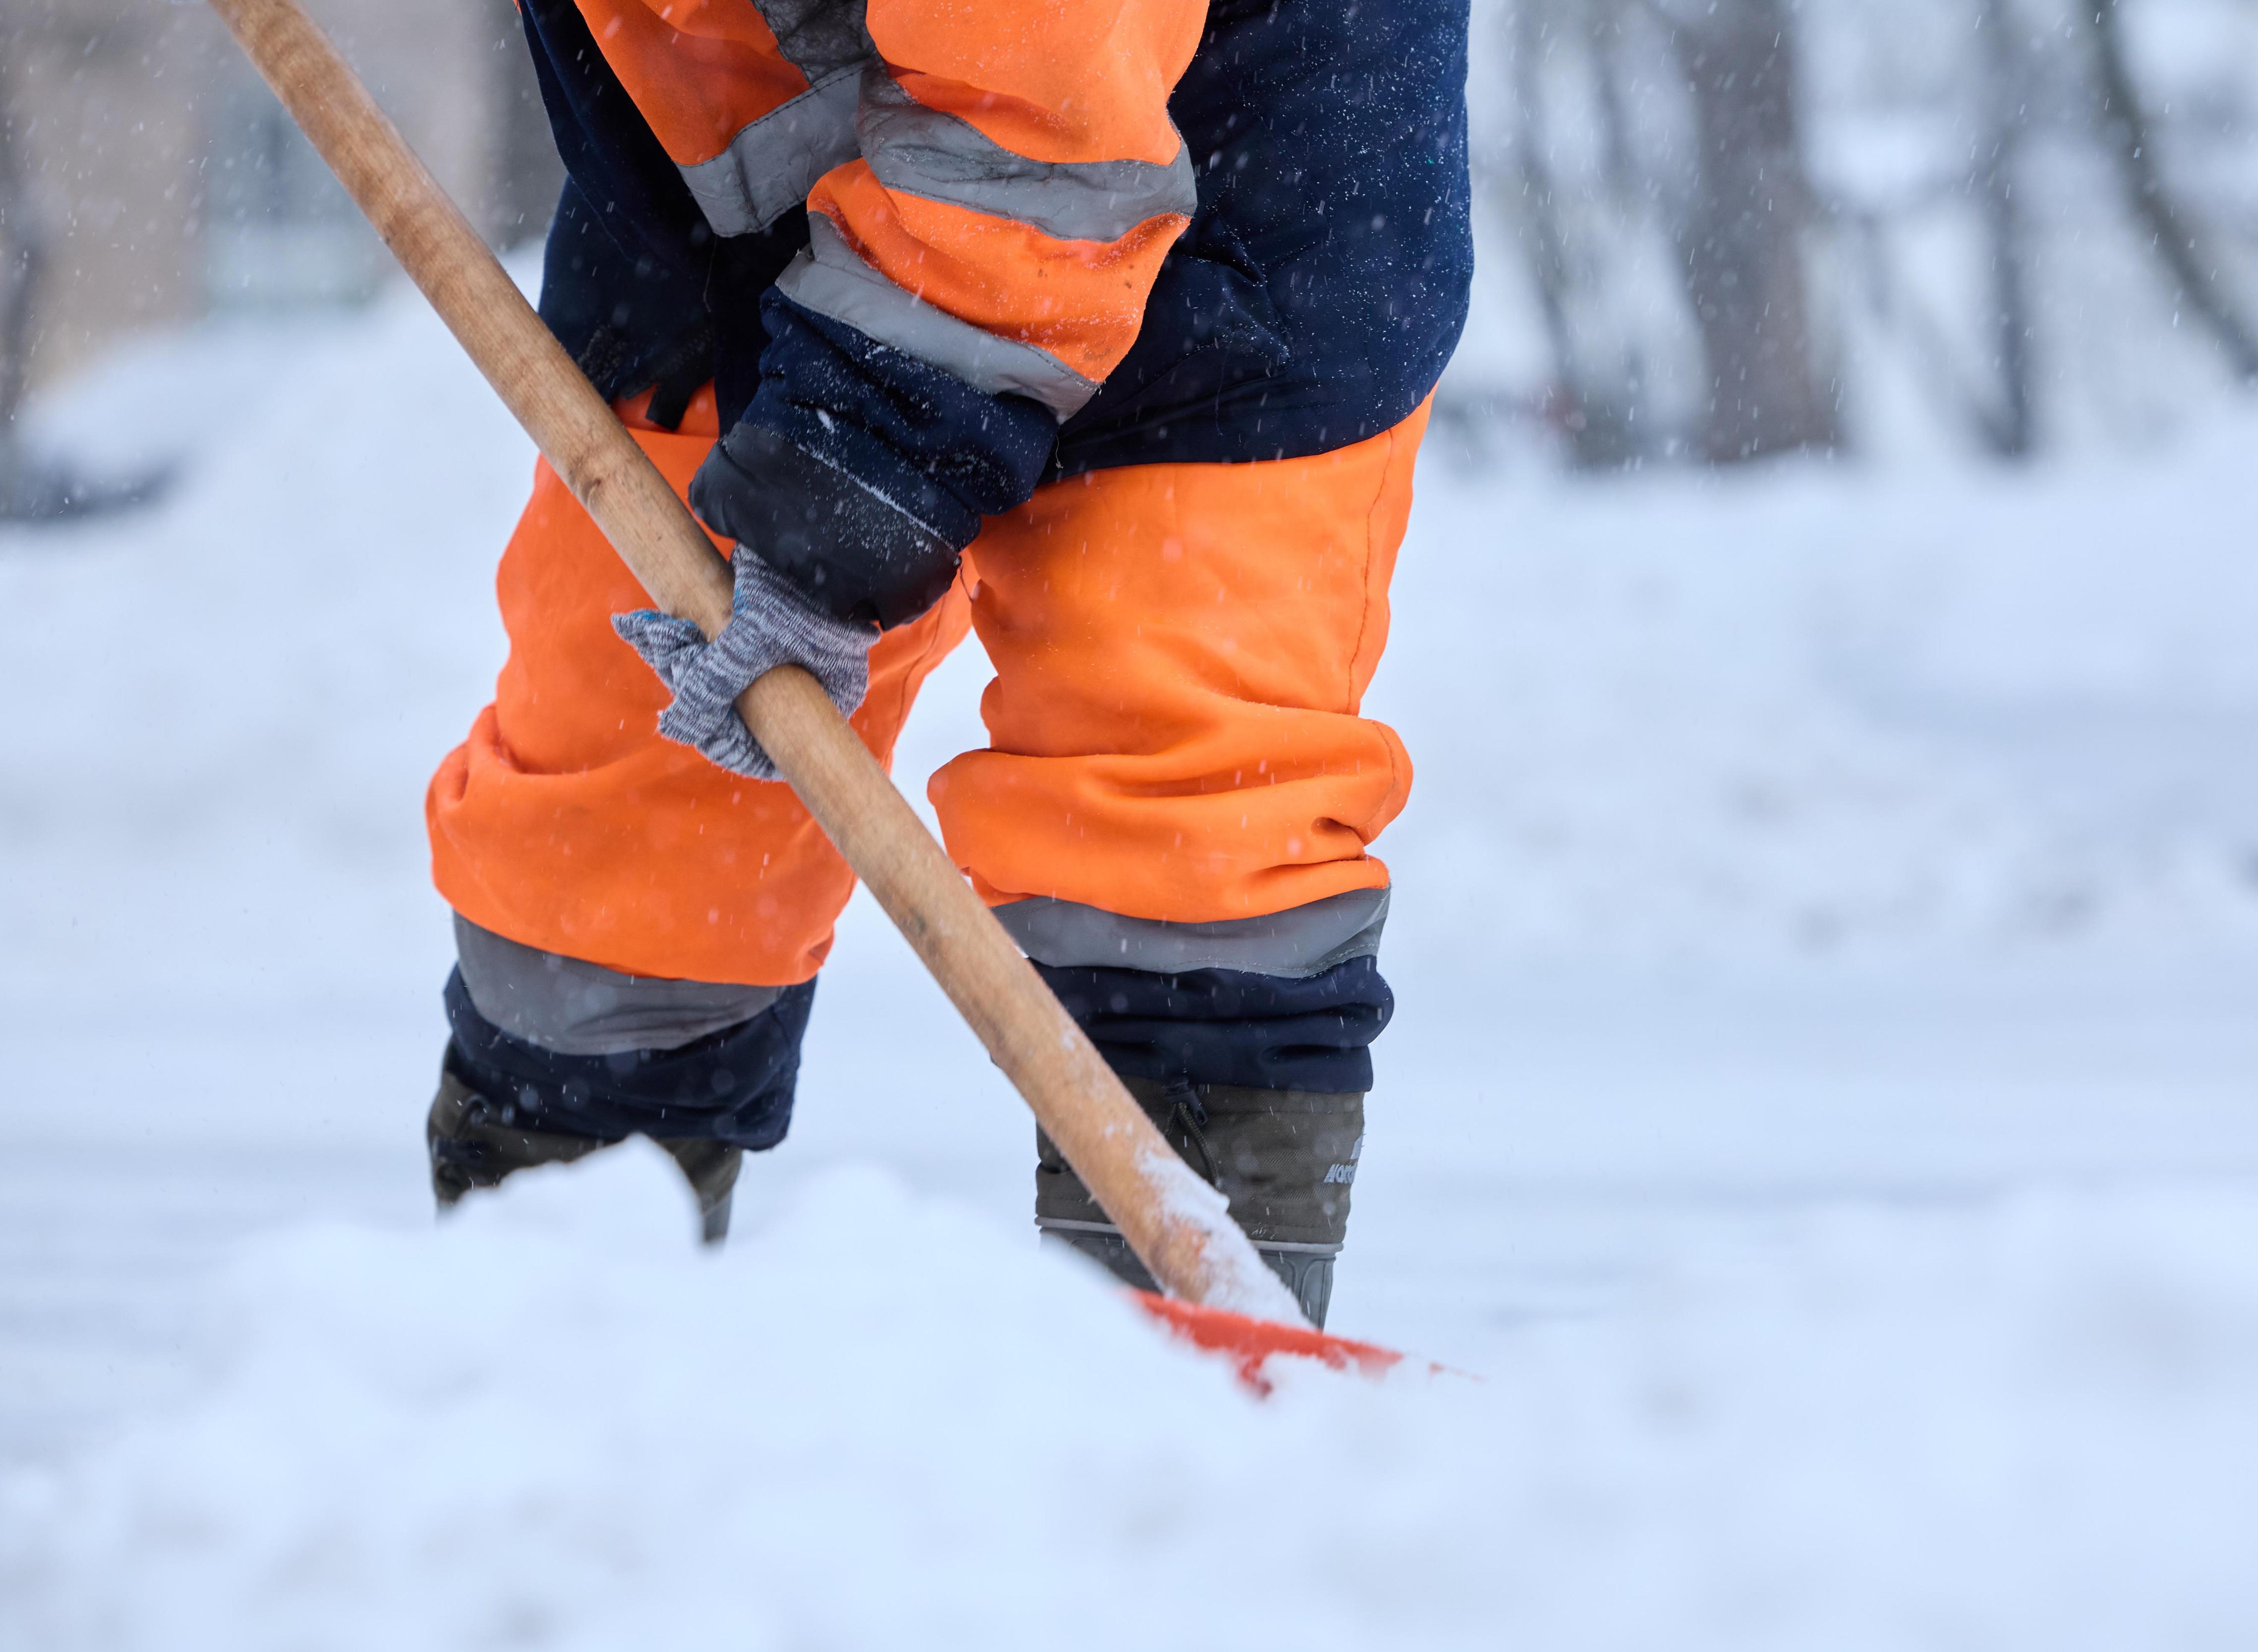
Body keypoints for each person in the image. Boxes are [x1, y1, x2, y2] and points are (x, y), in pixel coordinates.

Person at [422, 0, 1471, 1327]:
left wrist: (847, 496)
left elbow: (1043, 98)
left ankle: (1193, 1396)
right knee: (621, 858)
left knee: (1182, 825)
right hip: (733, 169)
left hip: (1240, 190)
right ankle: (538, 1373)